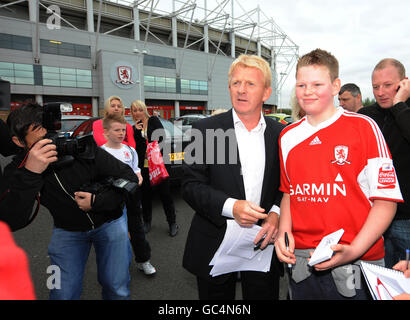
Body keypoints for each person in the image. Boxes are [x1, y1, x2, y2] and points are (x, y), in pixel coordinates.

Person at [275, 49, 403, 300]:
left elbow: (386, 201)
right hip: (301, 260)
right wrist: (283, 233)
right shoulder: (287, 136)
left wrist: (354, 250)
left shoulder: (364, 128)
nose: (308, 90)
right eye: (301, 84)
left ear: (335, 86)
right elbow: (289, 193)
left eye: (317, 84)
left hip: (357, 258)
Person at [5, 103, 137, 300]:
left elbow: (129, 178)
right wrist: (31, 173)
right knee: (61, 293)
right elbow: (10, 220)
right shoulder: (17, 170)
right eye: (37, 132)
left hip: (110, 224)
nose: (48, 137)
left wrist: (97, 201)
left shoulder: (80, 147)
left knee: (116, 287)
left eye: (47, 128)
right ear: (18, 141)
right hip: (66, 232)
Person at [182, 54, 284, 300]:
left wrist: (276, 214)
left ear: (266, 92)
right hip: (215, 242)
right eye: (236, 83)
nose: (241, 90)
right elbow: (190, 185)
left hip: (263, 242)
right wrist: (232, 206)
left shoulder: (281, 134)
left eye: (250, 84)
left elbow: (287, 186)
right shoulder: (207, 130)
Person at [358, 58, 410, 269]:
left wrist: (399, 104)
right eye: (375, 87)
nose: (380, 92)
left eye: (387, 85)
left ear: (404, 83)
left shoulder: (404, 112)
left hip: (406, 219)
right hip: (372, 217)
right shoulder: (366, 116)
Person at [100, 113, 156, 276]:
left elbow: (137, 171)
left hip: (131, 197)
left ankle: (143, 260)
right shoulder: (100, 153)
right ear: (106, 133)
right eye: (116, 130)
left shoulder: (130, 151)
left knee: (137, 231)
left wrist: (138, 179)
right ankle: (115, 265)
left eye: (123, 130)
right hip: (111, 199)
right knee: (114, 235)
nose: (121, 133)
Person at [131, 100, 179, 237]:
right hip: (144, 166)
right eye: (134, 110)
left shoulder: (153, 120)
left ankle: (172, 223)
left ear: (144, 110)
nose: (137, 113)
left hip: (158, 164)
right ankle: (147, 222)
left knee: (165, 194)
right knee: (145, 195)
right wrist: (136, 131)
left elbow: (162, 137)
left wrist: (146, 134)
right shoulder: (135, 127)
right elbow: (135, 148)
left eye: (140, 109)